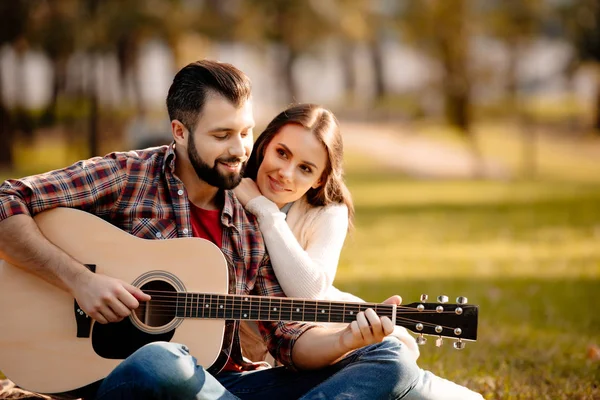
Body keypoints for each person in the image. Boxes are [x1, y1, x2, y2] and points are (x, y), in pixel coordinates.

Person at [0, 60, 461, 400]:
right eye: (222, 136)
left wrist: (348, 339)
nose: (241, 150)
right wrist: (79, 280)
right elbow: (7, 202)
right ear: (180, 132)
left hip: (228, 386)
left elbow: (286, 337)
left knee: (391, 360)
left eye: (245, 133)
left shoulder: (252, 216)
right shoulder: (128, 175)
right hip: (147, 379)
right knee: (164, 360)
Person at [234, 103, 484, 399]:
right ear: (264, 146)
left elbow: (309, 291)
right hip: (258, 361)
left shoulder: (327, 211)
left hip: (327, 337)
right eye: (282, 153)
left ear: (320, 179)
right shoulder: (226, 191)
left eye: (305, 168)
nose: (286, 173)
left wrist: (264, 210)